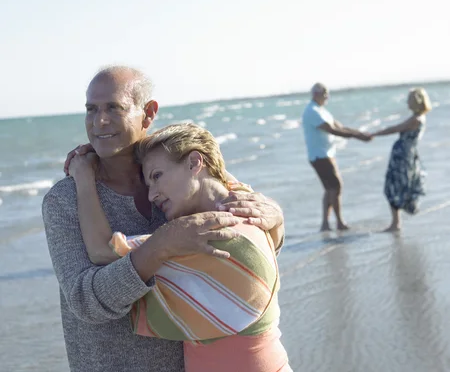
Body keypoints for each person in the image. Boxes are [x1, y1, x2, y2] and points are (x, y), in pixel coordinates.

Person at [42, 66, 285, 372]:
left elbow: (239, 251)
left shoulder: (174, 180)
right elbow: (85, 301)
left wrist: (274, 217)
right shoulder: (64, 200)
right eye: (91, 109)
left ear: (148, 113)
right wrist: (161, 246)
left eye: (114, 108)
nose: (99, 121)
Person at [302, 83, 371, 231]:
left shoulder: (322, 111)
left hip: (327, 154)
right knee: (336, 186)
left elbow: (340, 126)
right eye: (324, 93)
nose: (327, 96)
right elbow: (331, 130)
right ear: (315, 94)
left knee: (330, 189)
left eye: (327, 93)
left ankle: (325, 224)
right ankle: (339, 222)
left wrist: (359, 134)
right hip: (319, 155)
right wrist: (356, 136)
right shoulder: (312, 111)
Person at [369, 87, 432, 232]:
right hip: (405, 153)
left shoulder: (416, 119)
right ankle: (396, 222)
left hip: (403, 155)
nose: (407, 103)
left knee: (394, 185)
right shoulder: (417, 117)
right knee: (397, 184)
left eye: (409, 100)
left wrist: (375, 133)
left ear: (416, 101)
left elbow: (396, 128)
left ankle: (396, 223)